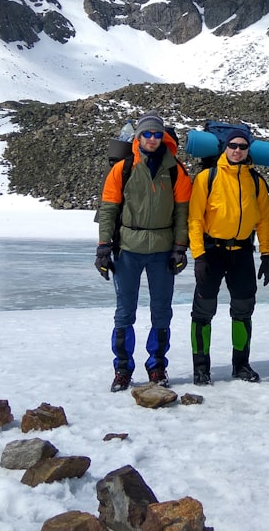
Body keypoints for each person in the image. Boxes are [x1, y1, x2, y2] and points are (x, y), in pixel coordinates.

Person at [95, 111, 192, 392]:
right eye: (147, 134)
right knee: (124, 312)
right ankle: (123, 368)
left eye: (157, 134)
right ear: (138, 138)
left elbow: (182, 214)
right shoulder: (122, 169)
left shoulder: (176, 170)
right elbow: (109, 210)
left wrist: (180, 248)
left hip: (162, 251)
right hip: (128, 249)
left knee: (161, 312)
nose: (152, 139)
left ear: (163, 137)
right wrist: (103, 248)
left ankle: (157, 365)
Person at [187, 127, 269, 384]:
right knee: (202, 311)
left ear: (248, 150)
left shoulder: (256, 182)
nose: (237, 150)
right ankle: (201, 367)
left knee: (243, 309)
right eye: (233, 145)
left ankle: (241, 365)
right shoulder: (207, 177)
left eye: (242, 146)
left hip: (243, 253)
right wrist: (199, 256)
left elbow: (264, 221)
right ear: (225, 147)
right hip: (212, 251)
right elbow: (194, 219)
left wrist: (266, 255)